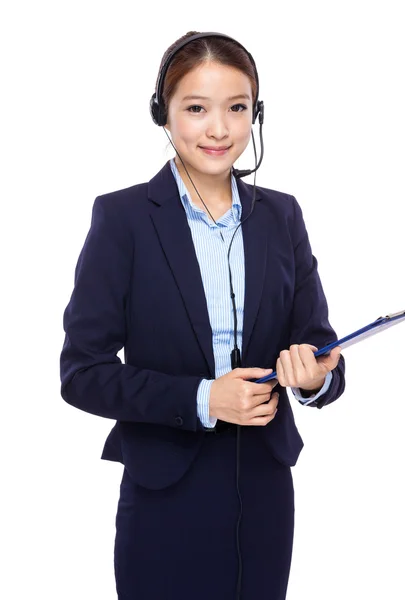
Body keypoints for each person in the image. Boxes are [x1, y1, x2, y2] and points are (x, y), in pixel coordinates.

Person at [59, 30, 346, 600]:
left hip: (266, 485)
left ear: (255, 114)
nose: (220, 129)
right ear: (162, 115)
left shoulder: (282, 217)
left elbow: (323, 352)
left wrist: (315, 379)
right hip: (167, 485)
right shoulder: (123, 219)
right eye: (196, 109)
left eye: (238, 109)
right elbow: (81, 374)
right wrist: (202, 398)